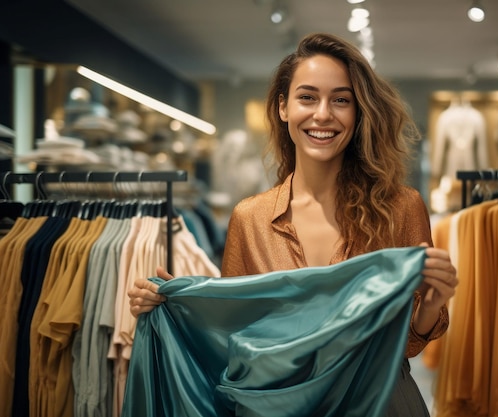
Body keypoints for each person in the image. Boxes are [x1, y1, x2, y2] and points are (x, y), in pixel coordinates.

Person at [128, 32, 458, 417]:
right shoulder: (250, 219)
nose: (322, 114)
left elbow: (409, 345)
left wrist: (433, 303)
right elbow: (237, 342)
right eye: (307, 97)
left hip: (380, 400)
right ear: (283, 107)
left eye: (341, 100)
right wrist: (169, 307)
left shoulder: (400, 207)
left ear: (358, 112)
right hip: (282, 406)